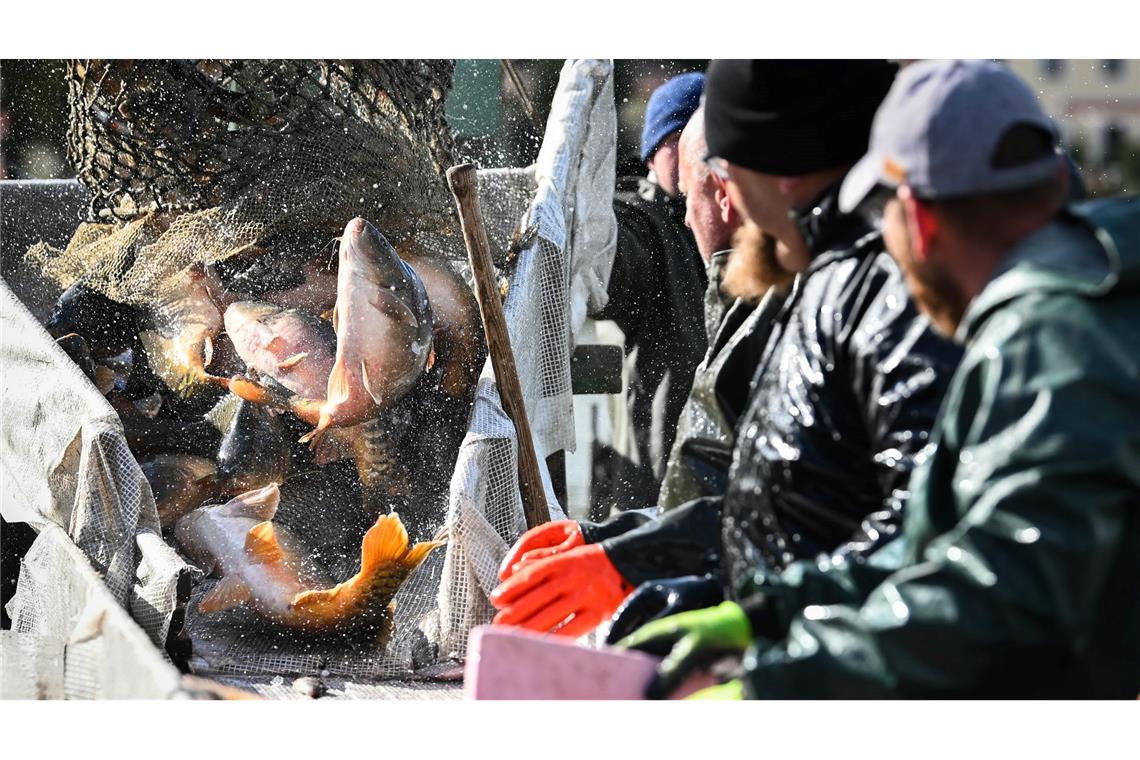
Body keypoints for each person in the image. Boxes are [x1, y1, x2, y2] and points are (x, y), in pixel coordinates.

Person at [620, 59, 1140, 699]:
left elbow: (1005, 591)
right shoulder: (1073, 305)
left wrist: (782, 683)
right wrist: (770, 613)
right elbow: (934, 545)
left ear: (916, 220)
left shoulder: (1050, 337)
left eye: (881, 213)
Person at [489, 60, 963, 642]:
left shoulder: (866, 285)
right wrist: (618, 545)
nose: (694, 207)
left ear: (737, 185)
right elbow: (780, 505)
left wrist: (747, 627)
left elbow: (912, 535)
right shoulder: (817, 271)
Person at [657, 106, 790, 512]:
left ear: (724, 194)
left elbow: (710, 502)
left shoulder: (765, 314)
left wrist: (619, 553)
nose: (684, 218)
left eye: (687, 196)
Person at [590, 72, 709, 515]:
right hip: (652, 493)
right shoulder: (640, 220)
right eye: (682, 137)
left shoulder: (736, 219)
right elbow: (615, 261)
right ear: (654, 150)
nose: (701, 152)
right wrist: (599, 246)